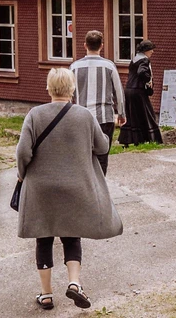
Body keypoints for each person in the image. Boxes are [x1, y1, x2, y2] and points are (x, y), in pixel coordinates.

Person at [16, 68, 124, 311]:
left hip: (41, 188)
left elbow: (23, 152)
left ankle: (46, 295)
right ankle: (74, 284)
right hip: (75, 186)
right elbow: (102, 146)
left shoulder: (34, 115)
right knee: (71, 236)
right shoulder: (85, 115)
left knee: (43, 237)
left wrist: (22, 174)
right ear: (72, 89)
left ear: (48, 88)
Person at [70, 30, 126, 173]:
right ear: (101, 45)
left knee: (84, 154)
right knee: (102, 154)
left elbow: (69, 93)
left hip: (80, 116)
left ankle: (86, 185)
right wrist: (121, 113)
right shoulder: (109, 66)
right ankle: (100, 184)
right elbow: (118, 91)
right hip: (104, 117)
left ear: (85, 45)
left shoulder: (74, 67)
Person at [119, 40, 163, 145]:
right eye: (151, 49)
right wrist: (148, 81)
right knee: (148, 114)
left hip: (129, 89)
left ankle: (131, 139)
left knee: (132, 116)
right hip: (138, 91)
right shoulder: (144, 60)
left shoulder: (134, 59)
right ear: (146, 51)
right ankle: (152, 138)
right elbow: (141, 72)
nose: (152, 51)